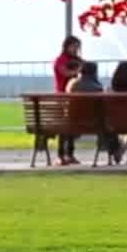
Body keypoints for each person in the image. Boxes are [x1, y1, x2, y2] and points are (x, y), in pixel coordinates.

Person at [51, 36, 84, 164]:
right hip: (62, 96)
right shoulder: (60, 60)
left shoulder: (76, 60)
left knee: (72, 127)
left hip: (74, 97)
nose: (76, 49)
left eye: (77, 47)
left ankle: (70, 154)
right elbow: (65, 73)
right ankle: (61, 154)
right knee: (63, 127)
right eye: (74, 46)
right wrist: (79, 69)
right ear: (66, 46)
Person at [64, 59, 102, 165]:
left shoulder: (72, 84)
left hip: (73, 122)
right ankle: (114, 151)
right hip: (93, 124)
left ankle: (67, 154)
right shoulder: (98, 88)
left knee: (70, 120)